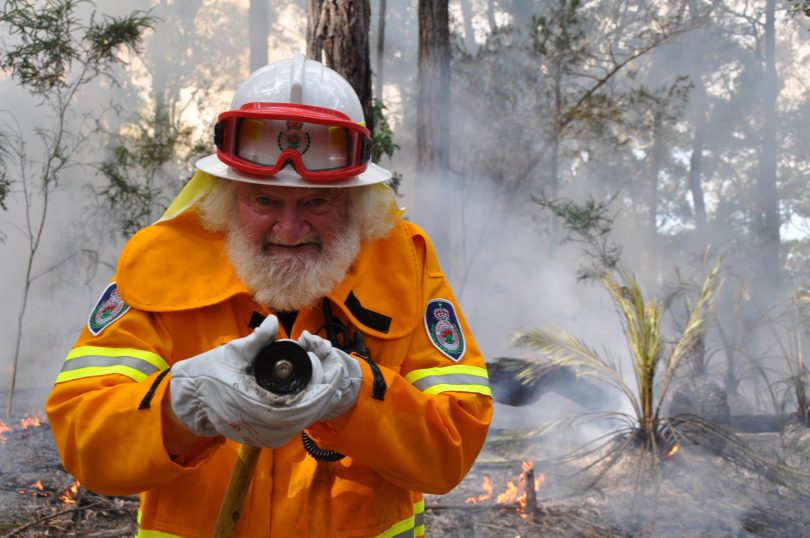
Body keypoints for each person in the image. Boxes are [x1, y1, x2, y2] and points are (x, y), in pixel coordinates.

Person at [46, 54, 492, 538]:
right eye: (264, 199)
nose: (289, 228)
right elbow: (83, 439)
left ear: (356, 199)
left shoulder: (403, 263)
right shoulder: (164, 264)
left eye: (317, 201)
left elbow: (452, 449)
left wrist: (356, 396)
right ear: (227, 193)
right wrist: (182, 405)